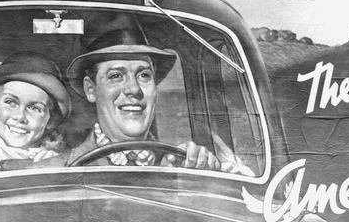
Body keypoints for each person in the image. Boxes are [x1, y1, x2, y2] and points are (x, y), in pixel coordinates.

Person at [65, 29, 253, 174]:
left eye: (144, 75)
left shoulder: (181, 166)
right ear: (91, 89)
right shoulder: (58, 170)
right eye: (116, 76)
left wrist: (205, 178)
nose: (134, 90)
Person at [0, 53, 71, 171]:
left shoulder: (65, 159)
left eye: (35, 108)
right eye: (10, 102)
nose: (20, 116)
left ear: (50, 120)